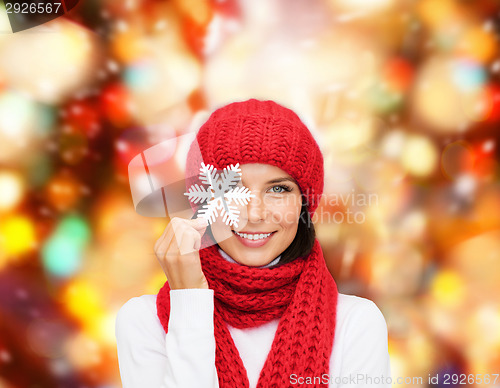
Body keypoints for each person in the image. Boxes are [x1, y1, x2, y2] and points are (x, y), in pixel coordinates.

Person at [115, 99, 391, 388]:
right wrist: (190, 300)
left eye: (278, 189)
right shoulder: (144, 321)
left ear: (303, 204)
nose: (255, 214)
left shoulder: (356, 325)